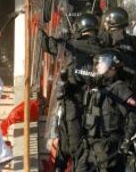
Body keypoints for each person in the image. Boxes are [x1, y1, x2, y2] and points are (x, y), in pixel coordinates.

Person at [40, 13, 102, 170]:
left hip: (71, 102)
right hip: (95, 106)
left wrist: (40, 27)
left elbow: (46, 44)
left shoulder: (71, 45)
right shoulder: (104, 49)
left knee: (69, 145)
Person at [75, 49, 136, 172]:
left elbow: (134, 114)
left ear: (113, 67)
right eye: (97, 62)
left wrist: (127, 139)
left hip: (109, 146)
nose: (98, 65)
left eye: (102, 62)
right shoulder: (96, 87)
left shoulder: (119, 88)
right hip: (90, 145)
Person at [99, 7, 136, 82]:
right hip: (130, 79)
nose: (104, 23)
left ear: (112, 22)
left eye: (107, 21)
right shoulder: (131, 38)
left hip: (113, 80)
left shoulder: (107, 37)